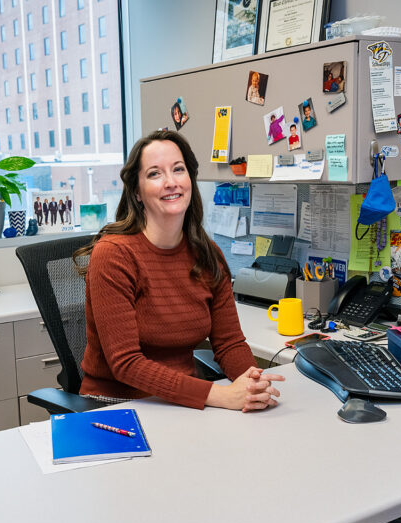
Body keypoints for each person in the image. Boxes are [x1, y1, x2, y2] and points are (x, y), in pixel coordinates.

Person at [74, 130, 283, 411]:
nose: (171, 182)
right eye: (155, 174)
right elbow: (126, 363)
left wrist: (251, 381)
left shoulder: (207, 255)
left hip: (182, 403)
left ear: (190, 180)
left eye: (178, 169)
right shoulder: (114, 255)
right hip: (115, 405)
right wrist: (220, 396)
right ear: (137, 191)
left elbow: (229, 342)